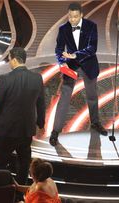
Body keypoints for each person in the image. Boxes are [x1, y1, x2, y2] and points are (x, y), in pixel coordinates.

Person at [49, 2, 107, 146]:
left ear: (81, 15)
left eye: (75, 17)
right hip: (71, 67)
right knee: (64, 98)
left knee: (92, 96)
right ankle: (55, 131)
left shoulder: (91, 26)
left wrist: (75, 55)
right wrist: (62, 62)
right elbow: (59, 49)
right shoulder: (63, 29)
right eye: (70, 16)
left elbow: (92, 48)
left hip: (88, 65)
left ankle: (95, 123)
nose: (72, 19)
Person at [0, 47, 45, 186]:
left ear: (14, 59)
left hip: (6, 130)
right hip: (26, 130)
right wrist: (41, 123)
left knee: (0, 162)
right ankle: (21, 190)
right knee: (24, 163)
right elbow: (41, 103)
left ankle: (0, 188)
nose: (9, 63)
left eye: (9, 60)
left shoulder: (5, 78)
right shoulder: (37, 78)